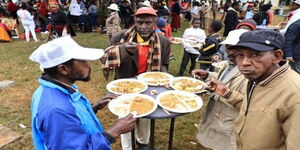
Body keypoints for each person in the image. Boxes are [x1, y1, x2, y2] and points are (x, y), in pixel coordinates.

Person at [29, 36, 136, 150]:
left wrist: (92, 108)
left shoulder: (53, 88)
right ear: (63, 69)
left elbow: (70, 121)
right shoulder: (56, 110)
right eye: (83, 61)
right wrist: (113, 131)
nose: (89, 65)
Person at [213, 30, 300, 149]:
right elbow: (255, 108)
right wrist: (227, 93)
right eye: (239, 55)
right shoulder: (259, 78)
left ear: (277, 56)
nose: (244, 63)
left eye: (255, 54)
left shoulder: (294, 94)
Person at [101, 7, 171, 150]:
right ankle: (128, 147)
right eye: (140, 22)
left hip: (149, 86)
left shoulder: (163, 42)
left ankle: (142, 143)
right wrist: (123, 49)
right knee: (126, 117)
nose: (143, 27)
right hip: (125, 85)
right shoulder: (120, 38)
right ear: (134, 21)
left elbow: (164, 64)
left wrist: (165, 81)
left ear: (155, 22)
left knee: (146, 114)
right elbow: (105, 58)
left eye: (148, 23)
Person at [193, 29, 249, 150]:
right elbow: (224, 79)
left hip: (231, 124)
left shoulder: (250, 74)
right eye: (228, 47)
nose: (230, 52)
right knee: (212, 142)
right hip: (216, 113)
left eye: (236, 48)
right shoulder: (229, 63)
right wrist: (207, 75)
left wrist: (227, 93)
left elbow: (251, 107)